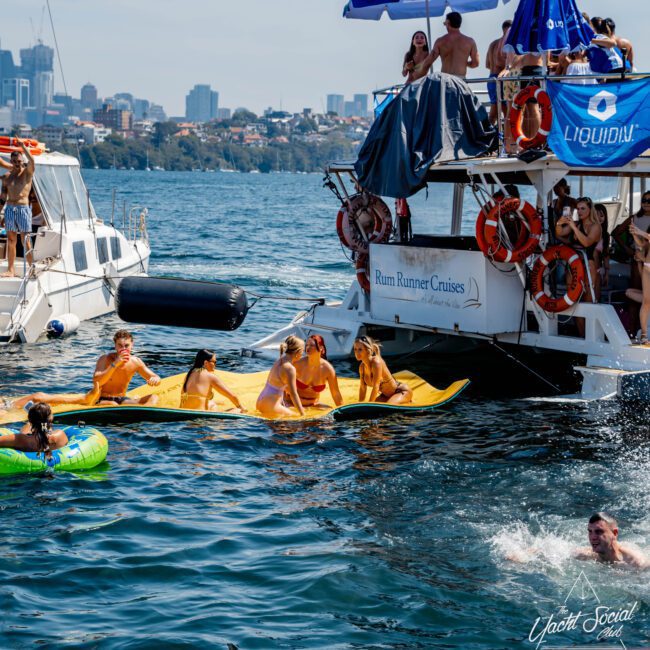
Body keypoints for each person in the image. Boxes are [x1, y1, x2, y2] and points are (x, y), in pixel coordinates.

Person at [92, 329, 160, 405]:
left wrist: (155, 379)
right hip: (101, 399)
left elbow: (155, 377)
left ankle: (145, 414)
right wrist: (115, 363)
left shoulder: (136, 362)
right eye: (120, 345)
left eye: (126, 345)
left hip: (122, 400)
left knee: (154, 397)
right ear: (115, 346)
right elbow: (97, 381)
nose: (123, 349)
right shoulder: (104, 359)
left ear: (132, 345)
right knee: (113, 404)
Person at [555, 196, 602, 303]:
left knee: (588, 301)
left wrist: (574, 228)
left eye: (583, 208)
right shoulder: (576, 224)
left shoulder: (595, 226)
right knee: (574, 302)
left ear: (590, 209)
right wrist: (559, 223)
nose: (579, 211)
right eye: (578, 209)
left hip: (588, 266)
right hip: (573, 265)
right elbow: (560, 232)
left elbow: (587, 242)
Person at [0, 143, 35, 277]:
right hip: (9, 209)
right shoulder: (7, 177)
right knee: (11, 240)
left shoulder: (27, 173)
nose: (17, 163)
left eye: (19, 161)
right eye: (14, 161)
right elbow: (3, 198)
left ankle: (31, 267)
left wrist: (22, 147)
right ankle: (11, 270)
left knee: (25, 240)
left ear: (22, 160)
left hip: (23, 208)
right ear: (11, 161)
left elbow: (32, 160)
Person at [417, 12, 479, 80]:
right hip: (460, 81)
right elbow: (475, 64)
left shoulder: (440, 41)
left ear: (448, 22)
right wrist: (464, 62)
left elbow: (428, 61)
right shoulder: (470, 42)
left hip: (445, 80)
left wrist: (415, 70)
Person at [574, 512, 649, 568]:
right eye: (590, 531)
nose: (593, 537)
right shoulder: (584, 555)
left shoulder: (635, 563)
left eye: (599, 531)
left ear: (615, 533)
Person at [179, 349, 245, 412]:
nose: (215, 365)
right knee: (238, 410)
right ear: (205, 362)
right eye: (214, 362)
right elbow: (232, 396)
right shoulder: (210, 376)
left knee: (211, 403)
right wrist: (241, 407)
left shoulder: (189, 375)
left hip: (185, 413)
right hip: (201, 417)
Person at [256, 335, 305, 418]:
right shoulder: (290, 368)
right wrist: (302, 413)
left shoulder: (280, 360)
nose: (302, 354)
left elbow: (285, 388)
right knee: (296, 418)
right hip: (270, 405)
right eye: (303, 351)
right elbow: (293, 394)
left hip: (261, 400)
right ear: (298, 352)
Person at [354, 335, 412, 404]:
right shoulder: (362, 367)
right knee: (376, 409)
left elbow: (376, 387)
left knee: (387, 407)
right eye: (355, 349)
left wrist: (369, 405)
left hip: (400, 391)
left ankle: (406, 399)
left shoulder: (376, 362)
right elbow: (363, 388)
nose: (357, 353)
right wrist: (360, 404)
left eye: (360, 349)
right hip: (385, 396)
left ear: (367, 350)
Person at [291, 334, 343, 409]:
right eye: (307, 345)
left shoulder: (328, 369)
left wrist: (342, 410)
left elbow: (336, 394)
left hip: (313, 404)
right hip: (293, 403)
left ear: (321, 348)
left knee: (330, 411)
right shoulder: (297, 364)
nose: (308, 347)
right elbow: (283, 384)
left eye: (312, 345)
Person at [0, 402, 68, 457]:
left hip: (24, 471)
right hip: (53, 471)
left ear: (30, 419)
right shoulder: (60, 435)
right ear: (50, 419)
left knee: (28, 427)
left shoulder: (20, 439)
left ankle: (34, 421)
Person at [626, 218, 650, 344]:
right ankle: (644, 335)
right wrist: (635, 234)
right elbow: (642, 244)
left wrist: (640, 232)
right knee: (646, 302)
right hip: (647, 266)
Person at [485, 20, 511, 125]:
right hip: (501, 79)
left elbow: (487, 64)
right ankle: (506, 139)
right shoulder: (506, 43)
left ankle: (488, 136)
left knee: (493, 113)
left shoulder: (493, 44)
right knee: (506, 113)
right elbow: (500, 64)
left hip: (491, 78)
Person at [594, 203, 610, 299]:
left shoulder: (606, 235)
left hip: (598, 270)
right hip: (585, 268)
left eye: (602, 215)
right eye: (596, 215)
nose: (599, 218)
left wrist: (607, 274)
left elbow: (606, 255)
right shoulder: (586, 230)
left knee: (596, 297)